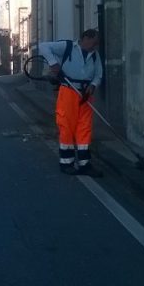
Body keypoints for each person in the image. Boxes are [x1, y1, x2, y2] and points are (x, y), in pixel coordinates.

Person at [38, 29, 104, 177]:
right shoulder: (68, 47)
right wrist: (54, 64)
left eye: (96, 44)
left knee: (84, 128)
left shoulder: (95, 55)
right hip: (69, 91)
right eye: (94, 43)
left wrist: (93, 86)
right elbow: (43, 46)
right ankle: (66, 162)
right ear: (85, 38)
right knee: (67, 125)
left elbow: (98, 74)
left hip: (85, 94)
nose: (95, 46)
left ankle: (84, 164)